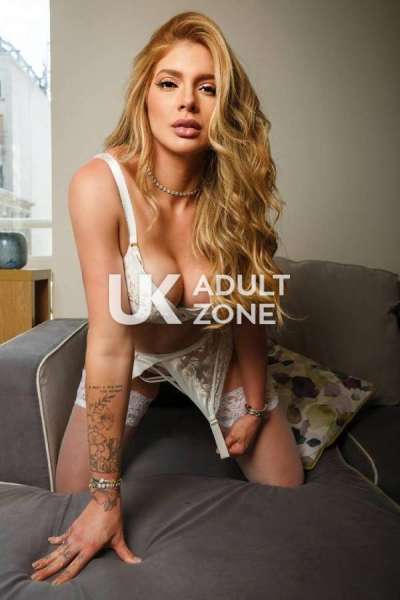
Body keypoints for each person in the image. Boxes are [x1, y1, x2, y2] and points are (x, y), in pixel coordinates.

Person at [30, 11, 304, 587]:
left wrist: (255, 405)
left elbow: (247, 310)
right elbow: (110, 343)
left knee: (288, 486)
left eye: (208, 88)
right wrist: (106, 498)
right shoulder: (100, 186)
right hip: (134, 356)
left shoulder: (236, 190)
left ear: (225, 106)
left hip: (211, 350)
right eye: (169, 82)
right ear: (145, 96)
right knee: (69, 497)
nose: (187, 103)